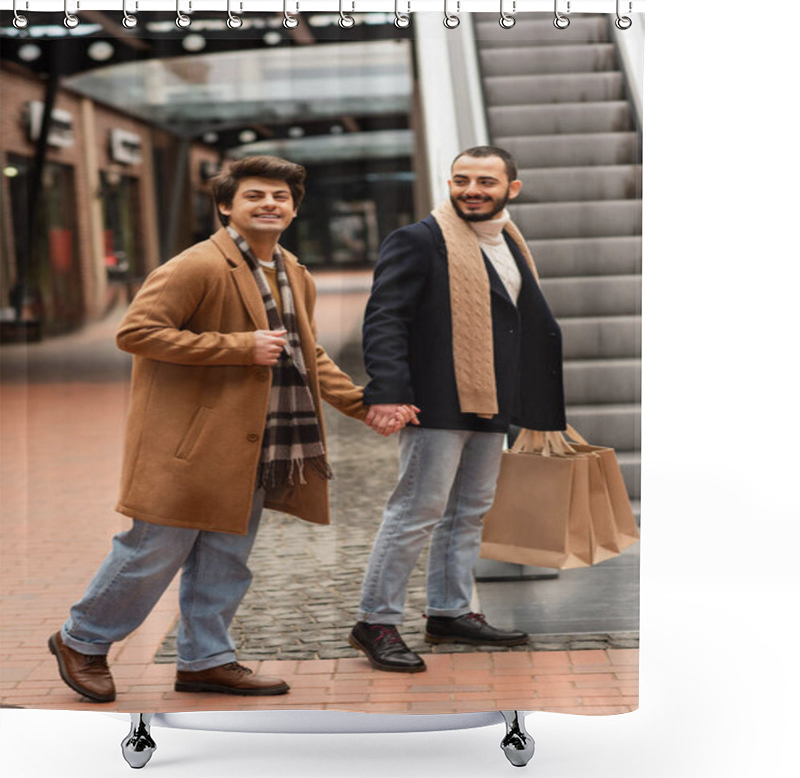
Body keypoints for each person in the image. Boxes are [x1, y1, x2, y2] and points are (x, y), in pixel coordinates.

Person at [48, 155, 411, 702]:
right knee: (153, 550)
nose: (270, 204)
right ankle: (82, 640)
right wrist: (238, 347)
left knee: (226, 556)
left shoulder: (293, 273)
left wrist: (363, 405)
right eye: (255, 196)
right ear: (225, 206)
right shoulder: (197, 265)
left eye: (280, 197)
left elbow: (305, 353)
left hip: (256, 442)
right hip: (189, 442)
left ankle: (204, 660)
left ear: (293, 209)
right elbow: (136, 332)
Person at [349, 146, 567, 672]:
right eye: (461, 179)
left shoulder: (509, 242)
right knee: (416, 511)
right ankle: (374, 621)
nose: (472, 189)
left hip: (492, 400)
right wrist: (388, 391)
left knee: (468, 512)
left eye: (486, 181)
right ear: (449, 184)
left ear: (510, 189)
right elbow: (385, 319)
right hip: (436, 401)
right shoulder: (420, 241)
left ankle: (449, 612)